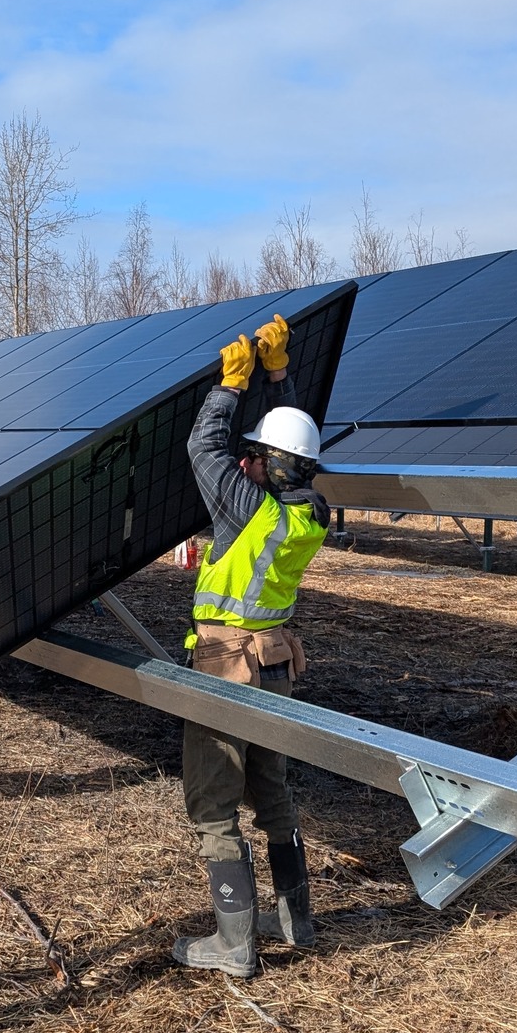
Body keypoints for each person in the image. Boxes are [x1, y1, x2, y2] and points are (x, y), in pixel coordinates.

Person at [174, 313, 330, 979]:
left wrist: (230, 387)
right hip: (275, 664)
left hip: (226, 666)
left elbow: (202, 446)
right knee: (274, 795)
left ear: (269, 466)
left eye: (256, 457)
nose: (247, 462)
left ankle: (234, 944)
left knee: (213, 805)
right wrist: (278, 376)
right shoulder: (307, 513)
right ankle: (297, 920)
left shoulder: (249, 510)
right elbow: (289, 444)